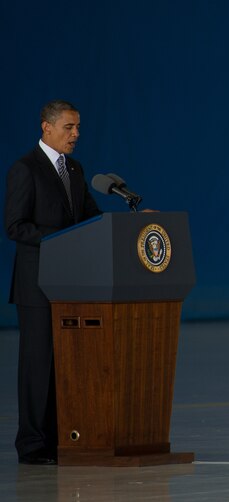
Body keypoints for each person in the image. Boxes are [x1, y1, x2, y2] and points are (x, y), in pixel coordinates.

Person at [5, 100, 102, 465]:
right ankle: (32, 444)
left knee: (64, 364)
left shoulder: (74, 169)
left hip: (70, 284)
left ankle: (58, 439)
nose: (76, 135)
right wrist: (58, 238)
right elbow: (15, 226)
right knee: (38, 364)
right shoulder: (24, 169)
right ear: (46, 127)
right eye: (69, 127)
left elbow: (90, 217)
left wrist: (127, 226)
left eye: (78, 128)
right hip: (36, 285)